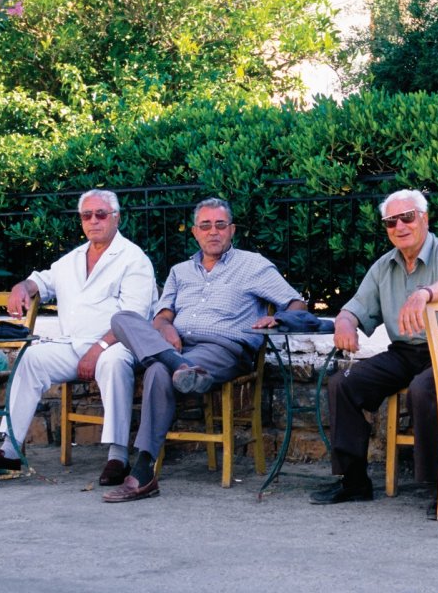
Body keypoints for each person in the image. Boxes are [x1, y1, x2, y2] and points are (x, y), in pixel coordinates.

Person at [102, 197, 306, 502]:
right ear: (195, 232)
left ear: (232, 230)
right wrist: (166, 328)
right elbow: (162, 316)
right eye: (206, 226)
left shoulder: (253, 265)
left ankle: (143, 472)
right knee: (122, 319)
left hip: (224, 349)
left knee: (157, 369)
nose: (213, 232)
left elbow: (296, 303)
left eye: (220, 225)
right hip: (179, 347)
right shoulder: (179, 271)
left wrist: (277, 317)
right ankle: (177, 367)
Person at [310, 189, 438, 518]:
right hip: (407, 353)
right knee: (343, 382)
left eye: (407, 217)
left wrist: (425, 294)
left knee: (424, 389)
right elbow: (356, 307)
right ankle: (353, 482)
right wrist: (345, 323)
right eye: (391, 221)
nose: (400, 226)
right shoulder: (384, 266)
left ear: (424, 218)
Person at [0, 189, 157, 486]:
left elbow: (132, 320)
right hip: (73, 345)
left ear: (116, 218)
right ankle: (10, 450)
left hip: (119, 345)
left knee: (112, 363)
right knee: (31, 357)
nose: (94, 221)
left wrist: (98, 348)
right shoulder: (72, 259)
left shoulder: (133, 260)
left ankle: (118, 455)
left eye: (101, 214)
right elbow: (42, 281)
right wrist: (23, 287)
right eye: (87, 215)